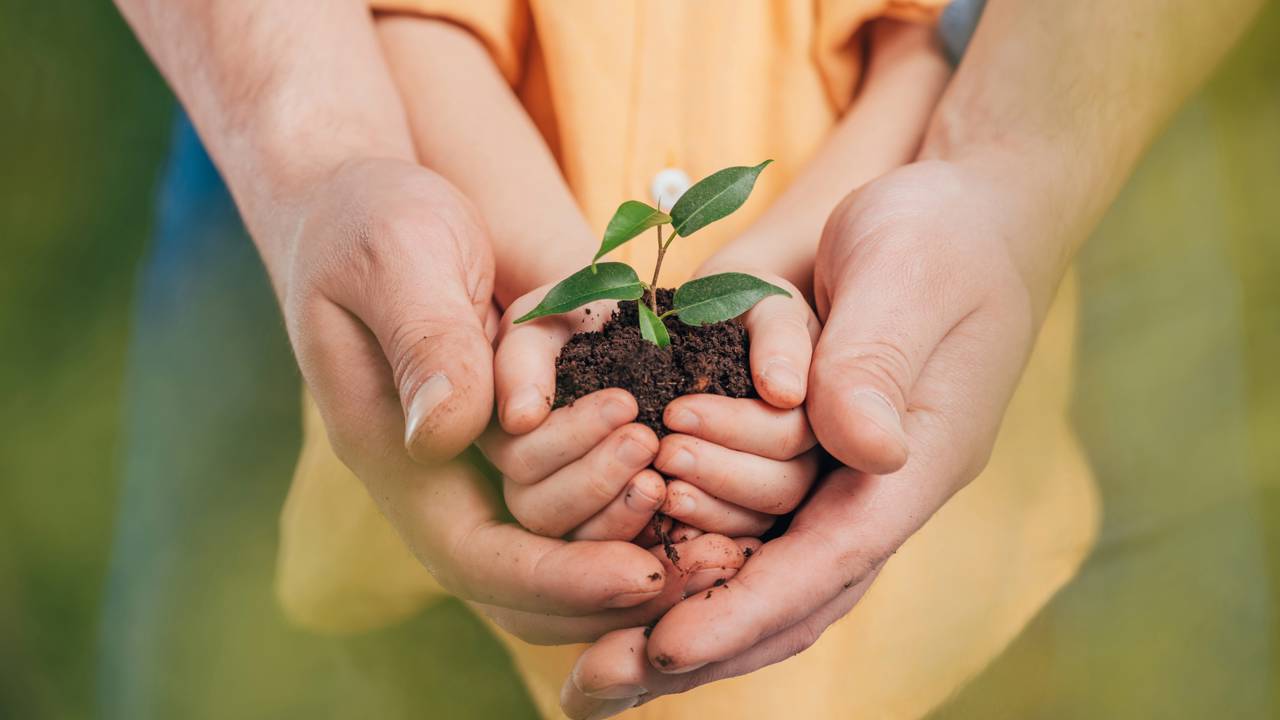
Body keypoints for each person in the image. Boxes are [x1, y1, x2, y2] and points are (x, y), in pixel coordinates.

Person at [105, 1, 1266, 719]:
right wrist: (552, 277)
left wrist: (794, 264)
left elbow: (920, 43)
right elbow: (419, 24)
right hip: (425, 210)